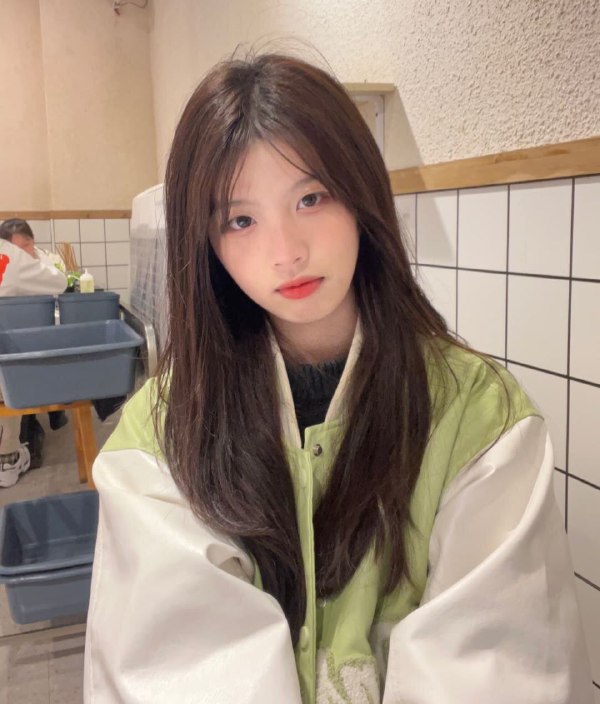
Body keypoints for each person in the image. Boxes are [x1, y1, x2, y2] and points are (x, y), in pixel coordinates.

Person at [84, 54, 592, 703]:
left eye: (311, 198)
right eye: (241, 220)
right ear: (206, 242)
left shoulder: (479, 416)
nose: (286, 251)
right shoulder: (165, 431)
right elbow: (174, 668)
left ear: (360, 197)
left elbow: (496, 668)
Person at [0, 228, 67, 486]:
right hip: (11, 363)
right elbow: (59, 282)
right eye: (23, 246)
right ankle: (7, 459)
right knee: (13, 375)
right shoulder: (13, 259)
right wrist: (36, 255)